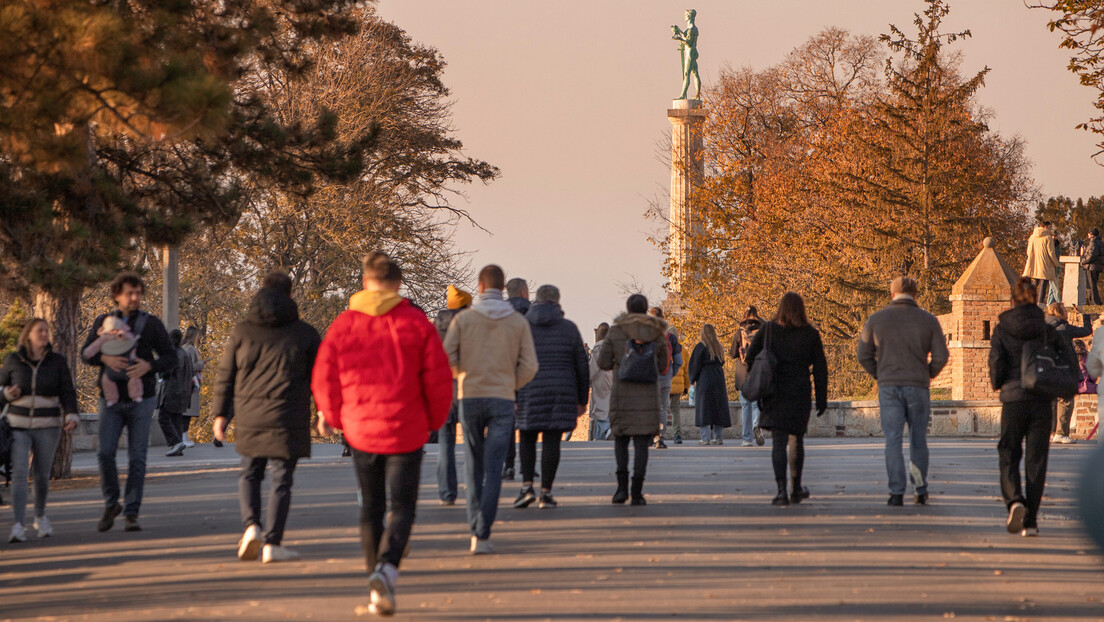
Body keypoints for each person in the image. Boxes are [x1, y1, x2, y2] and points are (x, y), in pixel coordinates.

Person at [312, 252, 452, 617]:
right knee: (402, 507)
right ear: (398, 284)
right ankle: (387, 570)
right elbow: (437, 378)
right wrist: (434, 421)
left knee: (370, 508)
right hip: (407, 429)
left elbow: (324, 374)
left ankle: (376, 579)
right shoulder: (417, 324)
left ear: (365, 282)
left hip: (360, 430)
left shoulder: (344, 324)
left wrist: (331, 414)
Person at [212, 271, 321, 563]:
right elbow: (319, 379)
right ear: (290, 294)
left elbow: (226, 375)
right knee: (281, 479)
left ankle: (251, 527)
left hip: (250, 415)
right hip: (289, 415)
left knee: (250, 472)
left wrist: (221, 414)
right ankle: (273, 543)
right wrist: (323, 413)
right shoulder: (305, 333)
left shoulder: (241, 331)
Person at [443, 265, 538, 554]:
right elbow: (530, 366)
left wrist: (462, 375)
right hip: (502, 398)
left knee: (473, 464)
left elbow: (446, 356)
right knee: (494, 467)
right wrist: (511, 383)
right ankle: (483, 532)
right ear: (503, 286)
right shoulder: (517, 322)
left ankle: (475, 527)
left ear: (480, 287)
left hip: (470, 395)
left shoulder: (465, 319)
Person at [82, 271, 177, 533]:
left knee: (138, 458)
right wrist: (105, 359)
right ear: (116, 296)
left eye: (138, 293)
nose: (134, 298)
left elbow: (171, 357)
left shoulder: (152, 324)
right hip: (110, 401)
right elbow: (85, 354)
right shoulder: (103, 321)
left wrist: (150, 365)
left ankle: (132, 512)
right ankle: (112, 503)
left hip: (141, 399)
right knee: (105, 453)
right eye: (129, 293)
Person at [989, 277, 1078, 536]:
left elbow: (996, 364)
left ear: (1013, 299)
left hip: (1014, 398)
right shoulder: (1046, 329)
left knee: (1008, 451)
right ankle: (1031, 521)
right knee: (1036, 459)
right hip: (1041, 399)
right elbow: (1067, 359)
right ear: (1036, 299)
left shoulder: (1003, 327)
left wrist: (999, 383)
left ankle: (1015, 500)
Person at [857, 277, 949, 506]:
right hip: (917, 385)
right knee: (918, 439)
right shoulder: (928, 320)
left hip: (889, 386)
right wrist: (928, 373)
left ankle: (896, 492)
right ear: (915, 294)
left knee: (893, 439)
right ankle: (919, 487)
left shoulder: (876, 320)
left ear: (892, 294)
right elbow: (941, 355)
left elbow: (863, 354)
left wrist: (879, 373)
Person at [745, 292, 828, 506]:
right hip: (799, 391)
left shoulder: (769, 330)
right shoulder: (810, 333)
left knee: (779, 442)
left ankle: (781, 491)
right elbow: (820, 368)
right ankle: (796, 488)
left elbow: (750, 357)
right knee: (796, 440)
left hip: (774, 390)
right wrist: (821, 399)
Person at [1, 319, 79, 543]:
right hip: (18, 425)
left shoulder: (57, 362)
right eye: (40, 331)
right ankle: (17, 524)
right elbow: (0, 387)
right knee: (19, 474)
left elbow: (67, 391)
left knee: (42, 475)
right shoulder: (13, 360)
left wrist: (71, 415)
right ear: (28, 335)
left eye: (47, 330)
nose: (44, 334)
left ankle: (40, 516)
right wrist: (7, 393)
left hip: (48, 426)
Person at [513, 285, 589, 509]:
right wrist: (581, 400)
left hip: (528, 389)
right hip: (559, 391)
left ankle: (527, 486)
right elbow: (581, 366)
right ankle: (546, 492)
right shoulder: (569, 328)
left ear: (535, 300)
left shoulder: (522, 326)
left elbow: (513, 361)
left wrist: (512, 394)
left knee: (526, 437)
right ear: (558, 301)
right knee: (552, 441)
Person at [596, 294, 668, 506]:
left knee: (621, 440)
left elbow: (603, 362)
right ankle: (637, 492)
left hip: (622, 394)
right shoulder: (656, 332)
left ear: (627, 309)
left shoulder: (616, 331)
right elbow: (664, 365)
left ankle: (621, 489)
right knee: (641, 444)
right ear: (646, 309)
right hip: (647, 396)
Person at [432, 285, 472, 506]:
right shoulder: (473, 325)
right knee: (470, 441)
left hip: (443, 391)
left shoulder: (435, 327)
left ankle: (447, 492)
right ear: (466, 305)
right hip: (468, 388)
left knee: (445, 442)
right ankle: (472, 484)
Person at [1044, 302, 1092, 445]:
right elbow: (1086, 331)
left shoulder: (1043, 327)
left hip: (1048, 369)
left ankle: (1052, 432)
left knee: (1052, 401)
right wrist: (1083, 313)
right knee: (1065, 401)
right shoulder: (1063, 327)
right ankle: (1061, 433)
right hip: (1064, 369)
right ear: (1060, 312)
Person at [502, 277, 531, 481]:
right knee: (529, 419)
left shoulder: (499, 312)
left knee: (508, 420)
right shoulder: (533, 311)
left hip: (504, 371)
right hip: (528, 371)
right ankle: (527, 465)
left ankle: (509, 462)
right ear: (523, 292)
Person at [647, 307, 682, 449]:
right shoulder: (671, 337)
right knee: (663, 407)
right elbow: (678, 361)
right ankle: (659, 437)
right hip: (665, 376)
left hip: (649, 377)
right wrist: (670, 374)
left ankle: (649, 435)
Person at [689, 324, 730, 445]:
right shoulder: (718, 347)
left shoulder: (700, 347)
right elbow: (722, 362)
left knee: (704, 407)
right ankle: (718, 437)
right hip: (718, 377)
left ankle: (705, 438)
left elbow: (695, 365)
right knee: (718, 406)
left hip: (705, 378)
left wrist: (692, 379)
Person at [730, 306, 765, 447]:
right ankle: (757, 424)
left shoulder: (740, 331)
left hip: (743, 373)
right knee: (757, 404)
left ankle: (746, 439)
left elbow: (733, 353)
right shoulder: (763, 329)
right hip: (758, 371)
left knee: (745, 406)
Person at [158, 329, 195, 457]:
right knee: (176, 419)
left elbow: (165, 372)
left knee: (163, 418)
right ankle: (178, 446)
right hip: (183, 392)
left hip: (171, 392)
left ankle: (176, 442)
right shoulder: (184, 354)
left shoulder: (173, 354)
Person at [1023, 221, 1060, 306]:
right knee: (1044, 283)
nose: (1051, 229)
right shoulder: (1048, 237)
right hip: (1045, 263)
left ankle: (1030, 300)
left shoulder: (1032, 237)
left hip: (1034, 263)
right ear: (1045, 227)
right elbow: (1051, 253)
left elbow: (1028, 251)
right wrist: (1056, 263)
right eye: (1049, 227)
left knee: (1035, 282)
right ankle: (1040, 302)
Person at [180, 326, 205, 447]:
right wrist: (202, 364)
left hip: (184, 382)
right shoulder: (190, 349)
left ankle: (183, 436)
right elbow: (191, 366)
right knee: (188, 411)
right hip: (191, 382)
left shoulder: (183, 347)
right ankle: (184, 436)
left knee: (184, 410)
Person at [589, 323, 613, 441]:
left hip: (601, 380)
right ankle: (599, 437)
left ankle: (607, 428)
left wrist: (587, 377)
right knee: (607, 408)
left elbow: (594, 367)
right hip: (613, 378)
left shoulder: (598, 347)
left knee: (599, 409)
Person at [669, 328, 688, 444]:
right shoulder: (684, 351)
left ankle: (657, 434)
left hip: (664, 383)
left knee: (661, 409)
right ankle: (677, 434)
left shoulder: (664, 348)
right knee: (675, 410)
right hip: (678, 386)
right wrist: (686, 387)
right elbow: (686, 372)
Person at [1082, 228, 1104, 305]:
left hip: (1091, 267)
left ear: (1091, 234)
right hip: (1097, 267)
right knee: (1093, 284)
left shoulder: (1093, 242)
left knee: (1091, 285)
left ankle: (1094, 302)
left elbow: (1092, 255)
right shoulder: (1100, 242)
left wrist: (1083, 261)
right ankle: (1095, 301)